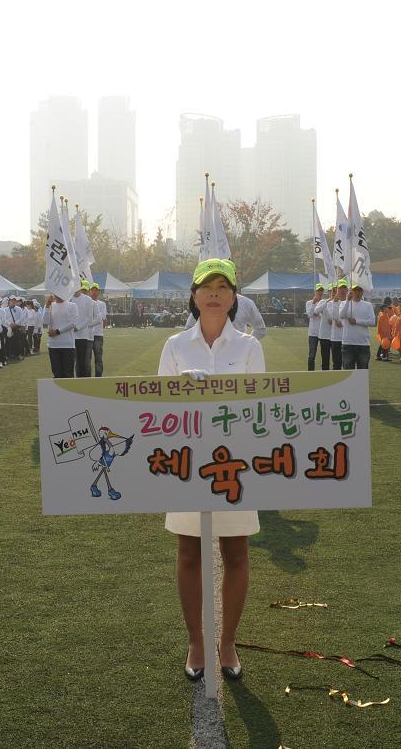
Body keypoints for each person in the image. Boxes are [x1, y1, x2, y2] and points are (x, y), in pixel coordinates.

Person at [157, 258, 263, 682]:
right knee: (189, 552)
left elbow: (260, 409)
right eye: (207, 287)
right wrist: (181, 391)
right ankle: (196, 641)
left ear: (234, 297)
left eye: (223, 287)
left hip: (236, 465)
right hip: (187, 464)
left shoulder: (249, 347)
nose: (215, 293)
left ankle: (228, 641)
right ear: (194, 296)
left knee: (236, 553)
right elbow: (156, 410)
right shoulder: (175, 346)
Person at [340, 283, 375, 369]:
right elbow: (341, 315)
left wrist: (357, 321)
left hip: (363, 343)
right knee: (348, 371)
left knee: (362, 372)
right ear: (351, 291)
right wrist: (347, 300)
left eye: (359, 290)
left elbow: (372, 322)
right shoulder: (344, 303)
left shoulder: (368, 305)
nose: (357, 292)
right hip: (348, 343)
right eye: (355, 290)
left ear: (362, 292)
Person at [43, 293, 78, 378]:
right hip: (53, 345)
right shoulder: (50, 305)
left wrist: (57, 331)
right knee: (57, 374)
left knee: (68, 374)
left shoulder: (72, 305)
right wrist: (47, 306)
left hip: (67, 345)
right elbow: (45, 321)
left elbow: (73, 323)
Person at [72, 282, 96, 378]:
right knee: (71, 362)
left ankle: (82, 382)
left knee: (82, 362)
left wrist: (78, 327)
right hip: (69, 336)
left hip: (82, 336)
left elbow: (89, 318)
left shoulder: (88, 299)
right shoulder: (69, 298)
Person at [89, 284, 108, 377]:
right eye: (92, 290)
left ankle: (98, 377)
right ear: (89, 291)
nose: (94, 292)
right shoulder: (87, 303)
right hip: (88, 335)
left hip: (98, 335)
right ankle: (86, 377)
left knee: (98, 357)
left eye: (96, 290)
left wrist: (89, 322)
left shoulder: (102, 304)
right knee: (87, 359)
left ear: (99, 292)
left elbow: (102, 317)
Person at [305, 283, 325, 370]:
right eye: (318, 290)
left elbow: (323, 315)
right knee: (312, 354)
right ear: (315, 291)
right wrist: (313, 303)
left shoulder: (325, 302)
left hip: (323, 332)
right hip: (313, 333)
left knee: (324, 354)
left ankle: (324, 371)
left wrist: (317, 313)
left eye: (321, 290)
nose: (320, 292)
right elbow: (310, 314)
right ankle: (310, 372)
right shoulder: (309, 302)